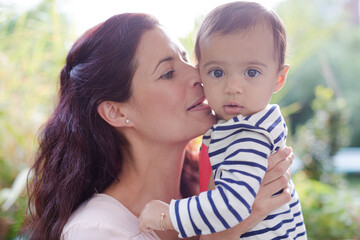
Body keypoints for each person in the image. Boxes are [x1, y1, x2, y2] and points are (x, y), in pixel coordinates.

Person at [21, 12, 294, 240]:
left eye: (187, 58)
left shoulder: (211, 188)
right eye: (168, 73)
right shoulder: (97, 230)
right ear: (116, 112)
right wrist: (232, 225)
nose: (198, 75)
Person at [139, 2, 307, 239]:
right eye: (217, 72)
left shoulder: (249, 135)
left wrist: (168, 216)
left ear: (278, 78)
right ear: (201, 73)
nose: (232, 87)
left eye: (251, 72)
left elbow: (233, 204)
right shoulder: (235, 129)